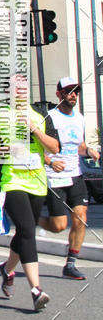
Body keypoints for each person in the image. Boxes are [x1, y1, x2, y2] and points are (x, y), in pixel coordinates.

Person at [0, 74, 60, 312]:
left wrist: (35, 130)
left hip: (37, 182)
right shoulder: (0, 116)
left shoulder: (40, 115)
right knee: (27, 230)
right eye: (15, 87)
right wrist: (6, 149)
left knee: (25, 232)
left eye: (24, 87)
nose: (20, 91)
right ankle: (36, 290)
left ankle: (6, 269)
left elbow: (55, 147)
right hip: (11, 181)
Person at [38, 77, 100, 280]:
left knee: (81, 217)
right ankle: (30, 217)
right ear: (59, 95)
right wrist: (49, 162)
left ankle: (70, 264)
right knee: (58, 226)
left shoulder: (79, 118)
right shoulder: (49, 117)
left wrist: (89, 150)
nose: (73, 95)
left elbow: (78, 145)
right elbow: (37, 148)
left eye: (76, 91)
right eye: (68, 91)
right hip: (55, 177)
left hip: (76, 175)